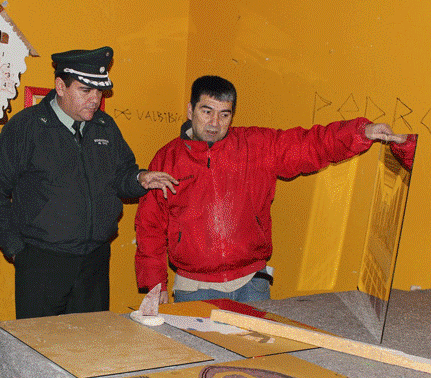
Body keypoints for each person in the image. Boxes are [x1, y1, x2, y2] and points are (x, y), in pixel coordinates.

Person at [135, 75, 411, 304]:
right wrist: (154, 284)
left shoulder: (257, 146)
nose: (215, 123)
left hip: (251, 284)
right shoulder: (167, 160)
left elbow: (311, 144)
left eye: (224, 114)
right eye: (206, 112)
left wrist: (360, 133)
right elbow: (150, 227)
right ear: (190, 110)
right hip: (193, 289)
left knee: (260, 365)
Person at [0, 46, 177, 319]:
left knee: (90, 350)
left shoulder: (105, 126)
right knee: (40, 349)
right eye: (85, 90)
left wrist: (139, 178)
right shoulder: (27, 127)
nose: (95, 99)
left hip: (94, 262)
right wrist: (16, 250)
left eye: (100, 91)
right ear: (60, 86)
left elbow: (121, 176)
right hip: (42, 262)